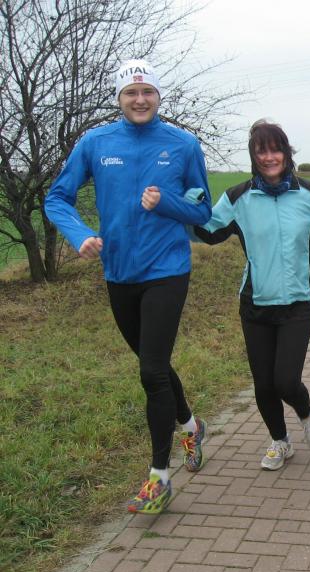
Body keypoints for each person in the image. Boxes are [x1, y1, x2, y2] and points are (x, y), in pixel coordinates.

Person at [44, 59, 212, 514]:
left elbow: (203, 211)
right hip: (118, 271)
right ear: (119, 99)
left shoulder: (182, 144)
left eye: (147, 92)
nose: (140, 100)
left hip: (167, 269)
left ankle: (159, 478)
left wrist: (167, 202)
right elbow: (56, 198)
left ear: (158, 96)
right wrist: (79, 235)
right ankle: (191, 425)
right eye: (131, 93)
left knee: (151, 371)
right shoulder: (95, 142)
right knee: (152, 363)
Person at [192, 120, 310, 471]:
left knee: (286, 381)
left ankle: (307, 415)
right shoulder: (238, 198)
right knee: (263, 385)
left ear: (286, 153)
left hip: (297, 304)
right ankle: (280, 441)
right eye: (261, 151)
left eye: (276, 149)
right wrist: (185, 205)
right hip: (255, 304)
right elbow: (206, 230)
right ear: (253, 156)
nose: (269, 157)